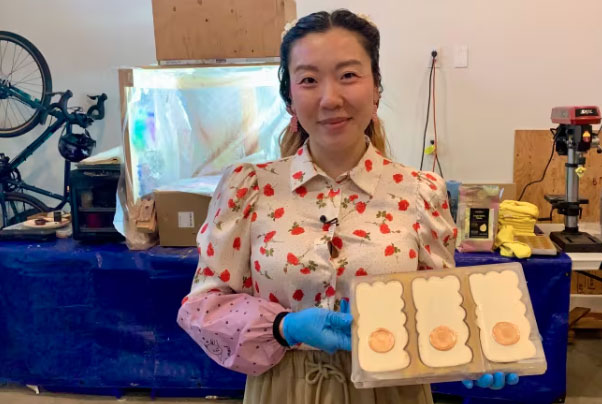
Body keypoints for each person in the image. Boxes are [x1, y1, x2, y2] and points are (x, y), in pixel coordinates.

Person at [177, 9, 517, 404]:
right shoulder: (249, 189)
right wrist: (285, 326)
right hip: (285, 391)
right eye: (308, 80)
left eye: (348, 75)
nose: (330, 98)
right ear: (289, 98)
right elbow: (202, 309)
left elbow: (438, 304)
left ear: (376, 89)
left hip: (393, 391)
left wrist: (478, 350)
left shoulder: (420, 192)